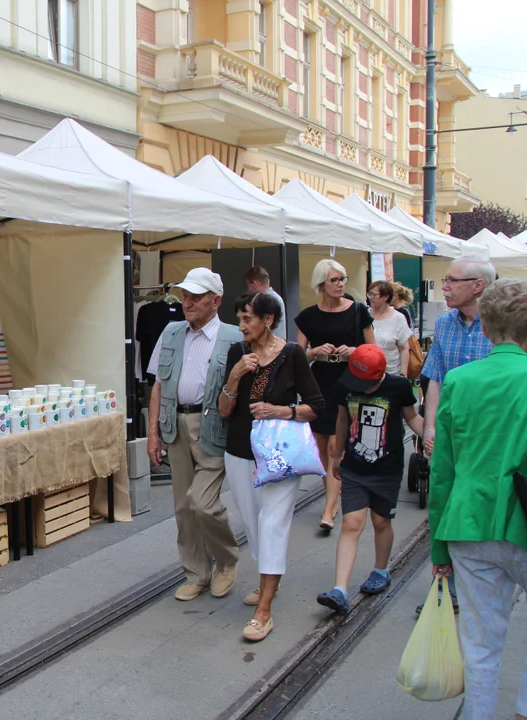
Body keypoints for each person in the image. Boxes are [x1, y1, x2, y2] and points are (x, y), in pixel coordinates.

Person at [428, 278, 527, 720]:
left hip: (469, 524)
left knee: (480, 641)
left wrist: (438, 547)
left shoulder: (460, 381)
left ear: (484, 328)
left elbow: (442, 470)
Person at [419, 259, 527, 613]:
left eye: (452, 280)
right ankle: (448, 590)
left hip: (487, 476)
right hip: (477, 460)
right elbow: (436, 379)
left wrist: (439, 546)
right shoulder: (445, 324)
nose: (444, 286)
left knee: (481, 634)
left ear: (478, 286)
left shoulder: (512, 341)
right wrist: (430, 426)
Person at [218, 291, 324, 641]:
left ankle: (264, 611)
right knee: (253, 523)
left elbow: (317, 406)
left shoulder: (292, 354)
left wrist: (279, 411)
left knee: (273, 523)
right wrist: (234, 376)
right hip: (239, 452)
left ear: (268, 320)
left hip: (278, 456)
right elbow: (223, 410)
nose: (241, 325)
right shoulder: (238, 352)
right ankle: (268, 581)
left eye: (247, 318)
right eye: (239, 319)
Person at [147, 268, 243, 602]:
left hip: (213, 426)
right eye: (186, 295)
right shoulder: (172, 332)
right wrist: (152, 433)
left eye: (196, 297)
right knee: (183, 507)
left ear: (216, 301)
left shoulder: (233, 337)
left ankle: (227, 560)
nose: (188, 302)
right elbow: (158, 385)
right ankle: (197, 573)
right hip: (176, 425)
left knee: (202, 503)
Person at [316, 345, 424, 613]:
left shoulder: (398, 388)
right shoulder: (346, 385)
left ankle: (380, 569)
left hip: (387, 469)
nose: (359, 387)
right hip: (354, 467)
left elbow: (413, 419)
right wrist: (337, 454)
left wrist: (431, 435)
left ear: (379, 375)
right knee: (352, 522)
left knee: (380, 520)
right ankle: (340, 590)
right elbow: (343, 420)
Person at [295, 259, 376, 533]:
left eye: (342, 279)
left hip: (348, 381)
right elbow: (298, 356)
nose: (341, 284)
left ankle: (329, 508)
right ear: (321, 284)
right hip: (319, 382)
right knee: (321, 448)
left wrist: (354, 352)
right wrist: (315, 353)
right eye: (334, 280)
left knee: (335, 447)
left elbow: (373, 352)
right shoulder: (308, 317)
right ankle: (333, 493)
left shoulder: (358, 311)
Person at [367, 281, 411, 376]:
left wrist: (403, 374)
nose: (370, 298)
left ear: (385, 297)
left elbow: (404, 348)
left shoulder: (398, 318)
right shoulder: (365, 314)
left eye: (374, 295)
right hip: (367, 373)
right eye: (369, 294)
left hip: (391, 374)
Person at [245, 266, 286, 338]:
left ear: (255, 284)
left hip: (270, 346)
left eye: (248, 285)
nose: (248, 289)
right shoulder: (276, 298)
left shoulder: (266, 301)